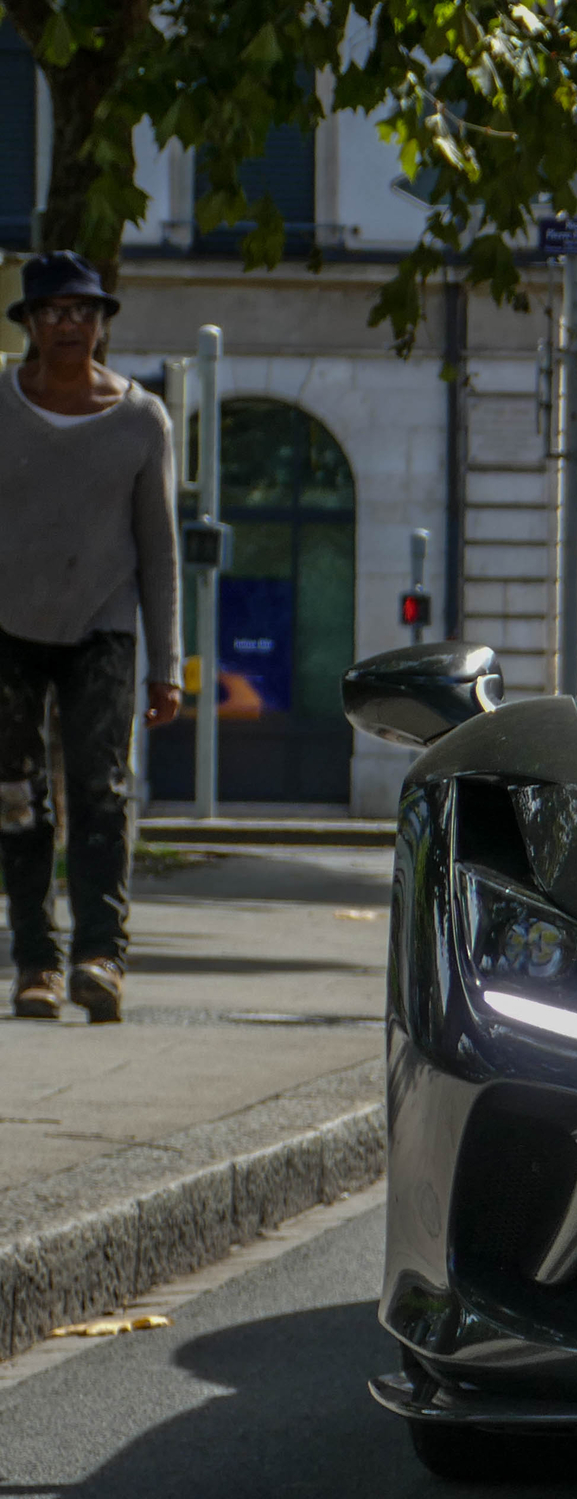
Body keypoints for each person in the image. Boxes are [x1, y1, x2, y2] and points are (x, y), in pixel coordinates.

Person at [0, 252, 183, 1022]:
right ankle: (35, 962)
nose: (69, 324)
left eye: (84, 311)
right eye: (53, 312)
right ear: (31, 326)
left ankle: (101, 956)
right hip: (8, 625)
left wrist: (166, 666)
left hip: (104, 628)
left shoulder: (142, 420)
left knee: (101, 792)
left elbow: (160, 548)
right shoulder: (1, 402)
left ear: (104, 326)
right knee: (16, 798)